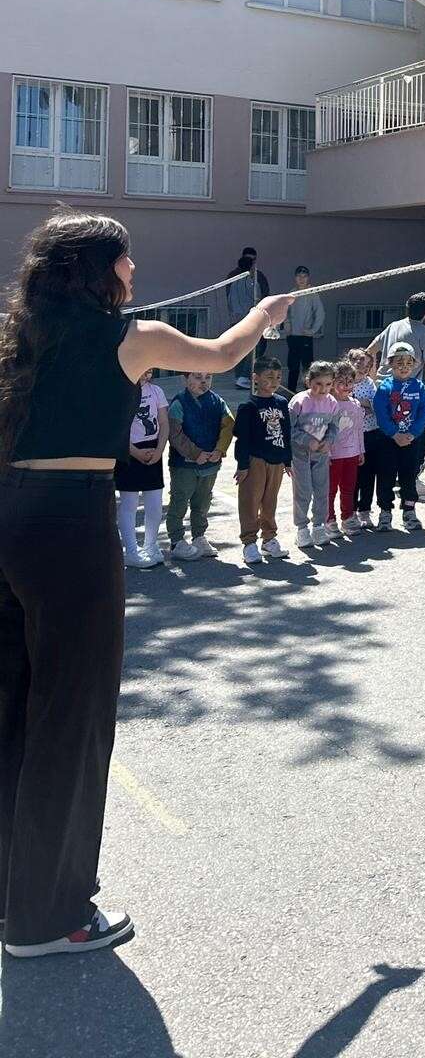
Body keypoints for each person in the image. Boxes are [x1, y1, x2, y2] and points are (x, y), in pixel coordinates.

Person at [0, 209, 290, 958]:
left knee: (13, 705)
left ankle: (11, 896)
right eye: (127, 262)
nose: (134, 274)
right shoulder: (134, 338)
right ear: (102, 268)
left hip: (9, 516)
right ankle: (48, 916)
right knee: (72, 712)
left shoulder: (16, 336)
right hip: (69, 525)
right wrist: (265, 309)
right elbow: (224, 353)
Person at [165, 371, 233, 560]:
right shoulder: (179, 403)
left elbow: (228, 426)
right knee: (180, 501)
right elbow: (175, 434)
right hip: (184, 465)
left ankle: (199, 536)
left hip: (210, 465)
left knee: (203, 502)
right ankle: (176, 540)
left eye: (208, 377)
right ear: (184, 379)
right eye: (197, 377)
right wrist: (195, 453)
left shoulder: (217, 401)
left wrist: (219, 450)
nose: (204, 382)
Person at [233, 357, 293, 565]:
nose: (274, 382)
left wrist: (288, 460)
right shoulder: (248, 405)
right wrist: (242, 465)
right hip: (256, 460)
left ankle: (269, 539)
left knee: (270, 501)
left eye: (278, 377)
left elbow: (286, 432)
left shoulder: (281, 402)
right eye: (269, 377)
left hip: (276, 461)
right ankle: (249, 542)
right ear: (255, 378)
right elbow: (242, 439)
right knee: (250, 501)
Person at [113, 368, 170, 569]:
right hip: (129, 452)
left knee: (155, 502)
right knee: (129, 503)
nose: (146, 373)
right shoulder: (121, 392)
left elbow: (164, 423)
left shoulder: (156, 392)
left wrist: (159, 450)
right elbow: (117, 428)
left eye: (150, 369)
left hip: (153, 450)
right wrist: (135, 452)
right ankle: (131, 550)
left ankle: (150, 545)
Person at [373, 345, 425, 532]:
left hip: (412, 440)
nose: (404, 366)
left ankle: (409, 511)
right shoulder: (385, 388)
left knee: (409, 475)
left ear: (414, 365)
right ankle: (385, 511)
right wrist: (394, 434)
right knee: (386, 475)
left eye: (408, 363)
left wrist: (413, 433)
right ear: (390, 364)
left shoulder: (419, 387)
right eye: (399, 363)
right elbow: (381, 414)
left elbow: (423, 412)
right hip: (389, 440)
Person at [289, 361, 338, 548]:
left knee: (321, 491)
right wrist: (305, 440)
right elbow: (289, 428)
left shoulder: (332, 402)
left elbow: (333, 426)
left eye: (328, 384)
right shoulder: (299, 401)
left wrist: (329, 441)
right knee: (303, 491)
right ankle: (302, 529)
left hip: (321, 456)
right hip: (300, 455)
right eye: (318, 383)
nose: (323, 389)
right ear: (309, 381)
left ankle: (318, 526)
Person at [326, 359, 366, 536]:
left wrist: (361, 450)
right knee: (330, 489)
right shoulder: (328, 404)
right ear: (333, 383)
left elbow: (359, 429)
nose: (346, 386)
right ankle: (329, 519)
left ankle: (348, 517)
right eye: (341, 382)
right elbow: (324, 431)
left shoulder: (355, 404)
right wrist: (325, 453)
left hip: (351, 454)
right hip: (333, 455)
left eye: (349, 381)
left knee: (349, 488)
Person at [349, 348, 385, 528]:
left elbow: (374, 406)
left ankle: (365, 510)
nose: (362, 368)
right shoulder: (344, 382)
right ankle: (351, 511)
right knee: (352, 475)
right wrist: (361, 404)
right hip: (349, 435)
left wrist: (358, 403)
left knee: (368, 474)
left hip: (370, 432)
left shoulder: (370, 383)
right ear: (350, 361)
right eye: (358, 362)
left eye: (367, 365)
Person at [226, 247, 271, 389]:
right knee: (255, 346)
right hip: (249, 319)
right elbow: (264, 297)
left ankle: (241, 377)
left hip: (243, 318)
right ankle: (244, 376)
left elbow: (265, 295)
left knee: (245, 347)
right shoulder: (251, 276)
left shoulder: (254, 276)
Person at [369, 293, 425, 381]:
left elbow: (370, 350)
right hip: (406, 387)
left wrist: (372, 376)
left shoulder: (393, 326)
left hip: (382, 384)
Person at [282, 266, 326, 392]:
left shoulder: (312, 293)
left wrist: (313, 330)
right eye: (299, 276)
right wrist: (287, 325)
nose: (301, 279)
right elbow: (285, 311)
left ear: (308, 278)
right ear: (295, 278)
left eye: (304, 276)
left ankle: (308, 391)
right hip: (292, 336)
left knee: (307, 366)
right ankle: (291, 391)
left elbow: (320, 313)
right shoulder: (292, 293)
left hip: (305, 335)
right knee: (293, 366)